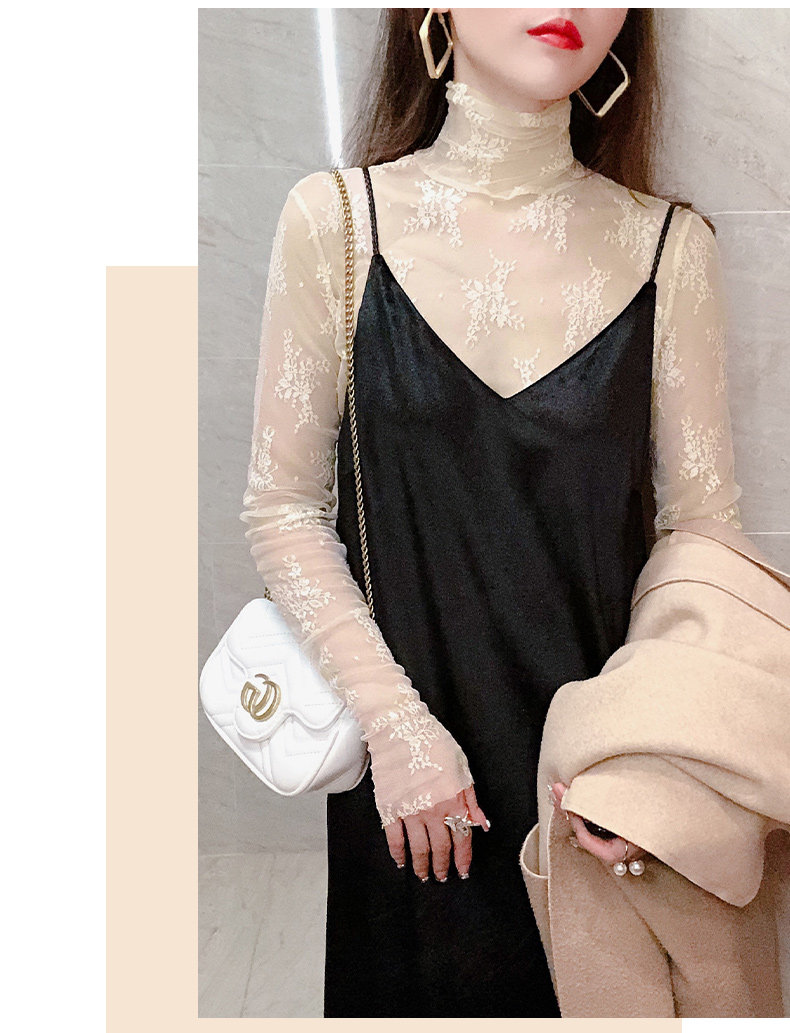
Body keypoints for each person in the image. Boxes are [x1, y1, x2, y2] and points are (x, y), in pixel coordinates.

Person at [239, 8, 744, 1018]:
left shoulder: (669, 248)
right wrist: (399, 732)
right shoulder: (337, 223)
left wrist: (644, 769)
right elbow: (283, 508)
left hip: (592, 791)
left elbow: (702, 542)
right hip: (409, 791)